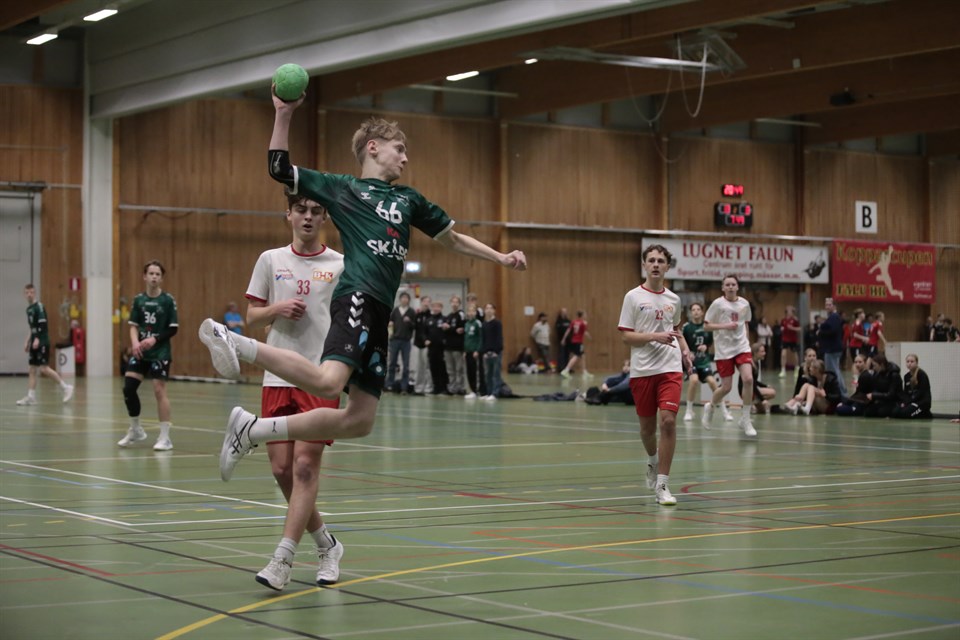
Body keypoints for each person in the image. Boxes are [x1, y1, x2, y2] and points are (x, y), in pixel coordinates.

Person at [200, 101, 526, 481]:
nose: (405, 157)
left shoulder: (409, 199)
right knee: (329, 382)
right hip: (357, 296)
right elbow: (279, 169)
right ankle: (234, 341)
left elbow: (452, 239)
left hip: (381, 310)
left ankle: (252, 431)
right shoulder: (343, 189)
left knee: (359, 421)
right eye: (399, 148)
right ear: (373, 147)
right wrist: (284, 113)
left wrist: (500, 257)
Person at [243, 191, 345, 591]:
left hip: (320, 375)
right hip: (277, 374)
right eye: (300, 210)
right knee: (282, 470)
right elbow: (252, 317)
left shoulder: (340, 264)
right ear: (288, 214)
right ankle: (327, 544)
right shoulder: (270, 260)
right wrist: (276, 310)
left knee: (304, 466)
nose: (308, 217)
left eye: (316, 211)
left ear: (324, 218)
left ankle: (282, 559)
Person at [617, 244, 693, 506]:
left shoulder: (674, 300)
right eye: (651, 260)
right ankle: (652, 459)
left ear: (667, 266)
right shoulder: (633, 297)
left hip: (670, 368)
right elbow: (626, 336)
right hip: (642, 370)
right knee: (647, 429)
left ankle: (662, 485)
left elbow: (676, 329)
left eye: (661, 260)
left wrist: (685, 349)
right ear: (644, 265)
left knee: (668, 422)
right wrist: (653, 336)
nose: (656, 264)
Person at [118, 261, 178, 451]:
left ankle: (165, 437)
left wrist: (154, 339)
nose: (154, 277)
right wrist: (135, 343)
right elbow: (133, 326)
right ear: (144, 276)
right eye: (151, 273)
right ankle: (135, 429)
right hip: (141, 351)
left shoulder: (167, 300)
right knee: (129, 388)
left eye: (157, 274)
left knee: (159, 390)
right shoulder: (139, 300)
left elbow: (173, 329)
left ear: (161, 278)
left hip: (160, 352)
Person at [703, 275, 756, 437]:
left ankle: (745, 418)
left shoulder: (744, 304)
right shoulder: (717, 304)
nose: (731, 287)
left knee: (748, 379)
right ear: (723, 288)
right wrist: (725, 325)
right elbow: (706, 326)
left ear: (737, 287)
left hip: (742, 347)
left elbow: (745, 324)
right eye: (728, 284)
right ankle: (710, 406)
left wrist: (747, 345)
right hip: (724, 350)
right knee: (726, 388)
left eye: (733, 284)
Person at [16, 284, 74, 406]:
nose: (29, 295)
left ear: (35, 293)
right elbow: (32, 328)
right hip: (34, 341)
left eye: (31, 292)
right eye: (27, 293)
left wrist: (37, 339)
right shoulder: (29, 309)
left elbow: (42, 324)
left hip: (42, 341)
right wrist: (27, 341)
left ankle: (66, 387)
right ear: (24, 294)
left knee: (44, 368)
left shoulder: (39, 307)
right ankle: (31, 397)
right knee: (32, 369)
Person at [681, 302, 732, 423]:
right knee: (694, 381)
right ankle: (689, 410)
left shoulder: (707, 327)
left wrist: (706, 347)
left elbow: (710, 342)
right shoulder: (687, 327)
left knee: (712, 382)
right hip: (692, 362)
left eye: (698, 309)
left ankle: (724, 410)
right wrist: (687, 352)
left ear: (702, 312)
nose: (696, 312)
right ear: (690, 313)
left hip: (704, 361)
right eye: (693, 310)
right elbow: (681, 343)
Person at [386, 291, 415, 393]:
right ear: (400, 299)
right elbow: (390, 322)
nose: (404, 300)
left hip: (406, 341)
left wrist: (409, 322)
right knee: (392, 363)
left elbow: (415, 326)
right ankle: (389, 385)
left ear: (408, 300)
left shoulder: (411, 311)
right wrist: (390, 326)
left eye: (406, 298)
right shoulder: (395, 311)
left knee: (405, 365)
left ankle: (404, 387)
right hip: (394, 340)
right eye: (403, 298)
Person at [818, 297, 847, 397]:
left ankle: (842, 393)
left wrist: (821, 332)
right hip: (831, 348)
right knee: (834, 370)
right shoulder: (831, 317)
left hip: (832, 349)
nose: (827, 307)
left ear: (834, 306)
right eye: (826, 305)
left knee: (834, 371)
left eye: (829, 305)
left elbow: (832, 331)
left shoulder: (834, 317)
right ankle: (839, 392)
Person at [739, 343, 777, 414]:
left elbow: (754, 381)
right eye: (762, 352)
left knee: (762, 411)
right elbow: (753, 385)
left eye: (764, 351)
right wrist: (762, 399)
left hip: (752, 388)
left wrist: (766, 386)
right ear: (755, 353)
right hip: (745, 390)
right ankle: (749, 403)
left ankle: (754, 403)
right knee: (772, 392)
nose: (764, 353)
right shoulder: (750, 365)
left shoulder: (757, 363)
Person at [892, 353, 932, 419]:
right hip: (912, 402)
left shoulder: (921, 374)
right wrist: (905, 402)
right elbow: (906, 392)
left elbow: (921, 392)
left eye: (912, 361)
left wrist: (910, 401)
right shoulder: (906, 376)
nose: (909, 363)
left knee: (905, 414)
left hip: (922, 403)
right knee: (896, 412)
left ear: (916, 363)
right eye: (907, 361)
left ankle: (925, 413)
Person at [442, 295, 466, 394]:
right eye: (453, 302)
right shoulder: (448, 316)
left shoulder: (461, 314)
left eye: (456, 302)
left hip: (457, 347)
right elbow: (451, 330)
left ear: (459, 304)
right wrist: (446, 328)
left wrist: (450, 328)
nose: (454, 304)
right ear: (450, 303)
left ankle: (461, 387)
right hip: (448, 347)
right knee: (450, 369)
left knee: (459, 369)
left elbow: (461, 330)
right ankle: (452, 387)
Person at [425, 300, 448, 395]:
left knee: (442, 368)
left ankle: (444, 388)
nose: (436, 308)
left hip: (442, 348)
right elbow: (425, 333)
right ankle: (436, 387)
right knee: (433, 367)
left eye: (438, 307)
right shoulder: (429, 320)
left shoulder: (445, 319)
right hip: (431, 348)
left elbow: (448, 332)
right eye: (434, 307)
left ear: (441, 308)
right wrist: (426, 339)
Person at [481, 303, 504, 400]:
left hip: (496, 353)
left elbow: (499, 338)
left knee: (496, 373)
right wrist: (484, 352)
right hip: (486, 353)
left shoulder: (497, 323)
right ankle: (489, 392)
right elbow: (483, 339)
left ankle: (495, 393)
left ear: (494, 311)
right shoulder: (484, 324)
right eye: (487, 308)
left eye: (491, 308)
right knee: (488, 374)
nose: (489, 310)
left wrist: (496, 351)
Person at [560, 310, 591, 377]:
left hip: (573, 341)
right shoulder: (583, 323)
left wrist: (563, 339)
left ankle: (584, 371)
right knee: (576, 356)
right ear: (582, 315)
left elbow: (568, 330)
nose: (586, 316)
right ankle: (566, 370)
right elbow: (585, 332)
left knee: (582, 355)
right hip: (578, 342)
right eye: (585, 314)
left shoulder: (573, 322)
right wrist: (589, 337)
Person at [412, 296, 433, 395]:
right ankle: (418, 388)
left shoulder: (431, 316)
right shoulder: (417, 315)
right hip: (418, 345)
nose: (426, 303)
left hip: (427, 345)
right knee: (418, 367)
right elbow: (414, 327)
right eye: (424, 301)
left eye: (428, 301)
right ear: (421, 303)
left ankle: (428, 388)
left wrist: (428, 340)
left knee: (427, 367)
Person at [463, 304, 484, 399]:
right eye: (469, 311)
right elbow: (466, 338)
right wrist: (464, 350)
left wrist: (477, 350)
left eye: (473, 311)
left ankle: (478, 390)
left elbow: (480, 337)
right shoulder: (467, 324)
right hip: (468, 351)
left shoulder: (477, 323)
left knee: (476, 371)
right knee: (469, 371)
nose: (471, 313)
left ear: (475, 313)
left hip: (474, 351)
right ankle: (472, 390)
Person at [778, 306, 800, 378]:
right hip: (785, 339)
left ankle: (796, 369)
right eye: (788, 311)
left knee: (794, 354)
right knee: (783, 354)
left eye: (791, 311)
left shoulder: (795, 320)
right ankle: (783, 370)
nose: (789, 312)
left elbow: (799, 329)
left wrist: (792, 328)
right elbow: (781, 327)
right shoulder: (783, 320)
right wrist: (781, 329)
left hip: (793, 339)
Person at [555, 308, 571, 373]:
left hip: (568, 341)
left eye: (565, 312)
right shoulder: (559, 321)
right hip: (562, 340)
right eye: (563, 312)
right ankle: (561, 368)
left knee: (567, 354)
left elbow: (571, 330)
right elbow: (559, 331)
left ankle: (567, 368)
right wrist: (563, 339)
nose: (565, 313)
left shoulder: (568, 321)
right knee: (562, 354)